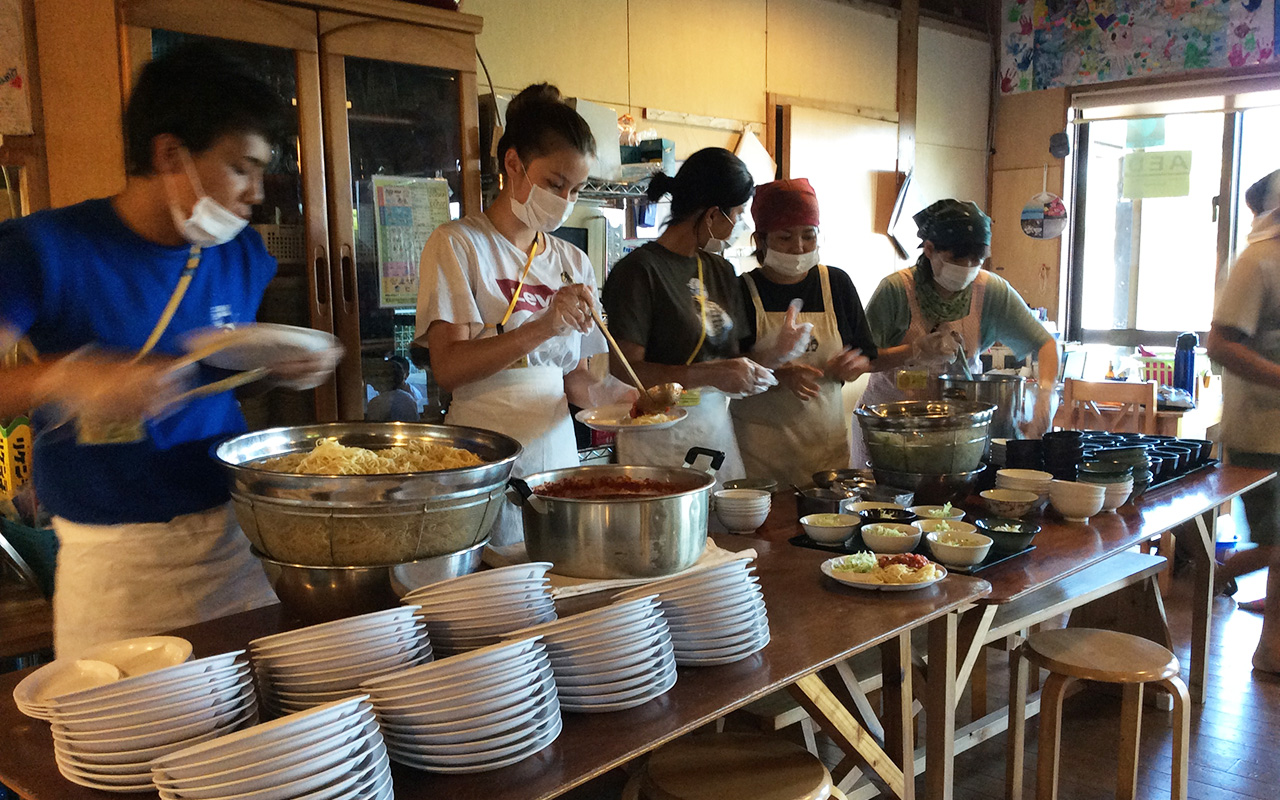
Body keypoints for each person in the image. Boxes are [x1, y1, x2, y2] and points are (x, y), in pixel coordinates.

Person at [0, 44, 340, 657]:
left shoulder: (239, 254)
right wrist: (72, 376)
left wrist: (273, 372)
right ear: (169, 154)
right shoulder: (42, 249)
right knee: (127, 742)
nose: (257, 192)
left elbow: (219, 376)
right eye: (243, 167)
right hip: (113, 563)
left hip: (232, 539)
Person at [416, 84, 622, 546]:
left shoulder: (573, 261)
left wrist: (627, 400)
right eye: (554, 183)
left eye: (576, 189)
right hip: (483, 451)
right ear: (514, 164)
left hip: (556, 451)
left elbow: (575, 381)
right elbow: (449, 369)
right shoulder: (459, 244)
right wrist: (545, 325)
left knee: (558, 582)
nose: (566, 199)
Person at [602, 149, 806, 484]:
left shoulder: (721, 270)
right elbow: (626, 369)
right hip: (657, 433)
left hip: (713, 430)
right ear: (712, 215)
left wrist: (776, 352)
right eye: (737, 215)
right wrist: (707, 374)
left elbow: (733, 363)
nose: (739, 225)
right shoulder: (640, 271)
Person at [854, 199, 1058, 465]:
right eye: (957, 259)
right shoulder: (896, 291)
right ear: (929, 249)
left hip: (957, 435)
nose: (969, 267)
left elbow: (1045, 344)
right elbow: (862, 360)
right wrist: (914, 351)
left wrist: (1045, 395)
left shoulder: (990, 292)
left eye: (978, 259)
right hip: (889, 431)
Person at [730, 178, 876, 486]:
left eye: (808, 236)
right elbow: (727, 370)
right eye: (785, 238)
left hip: (827, 455)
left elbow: (867, 356)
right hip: (760, 457)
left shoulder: (836, 284)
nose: (798, 247)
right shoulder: (741, 290)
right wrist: (780, 375)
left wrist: (853, 366)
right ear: (761, 240)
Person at [1206, 169, 1280, 673]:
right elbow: (1220, 343)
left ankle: (1272, 648)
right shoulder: (1258, 262)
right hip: (1262, 428)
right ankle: (1211, 576)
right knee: (1277, 543)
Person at [365, 357, 420, 422]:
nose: (374, 379)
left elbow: (372, 427)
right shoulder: (409, 399)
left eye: (378, 375)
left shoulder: (377, 402)